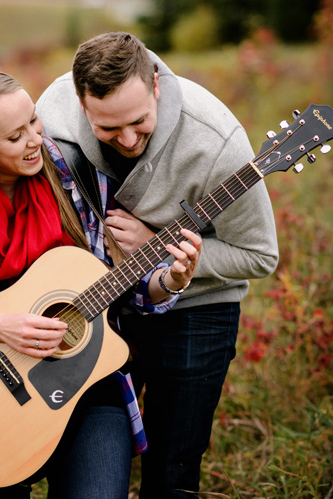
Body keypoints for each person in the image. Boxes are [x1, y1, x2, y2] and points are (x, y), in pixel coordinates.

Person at [0, 68, 204, 497]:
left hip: (87, 389)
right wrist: (0, 327)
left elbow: (122, 285)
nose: (35, 140)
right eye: (14, 136)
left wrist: (171, 279)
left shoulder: (71, 170)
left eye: (33, 120)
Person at [35, 32, 280, 498]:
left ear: (156, 87)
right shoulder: (51, 115)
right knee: (79, 458)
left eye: (139, 121)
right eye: (108, 129)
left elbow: (260, 254)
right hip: (96, 307)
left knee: (172, 465)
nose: (127, 140)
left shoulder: (217, 143)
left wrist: (159, 247)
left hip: (197, 309)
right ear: (81, 105)